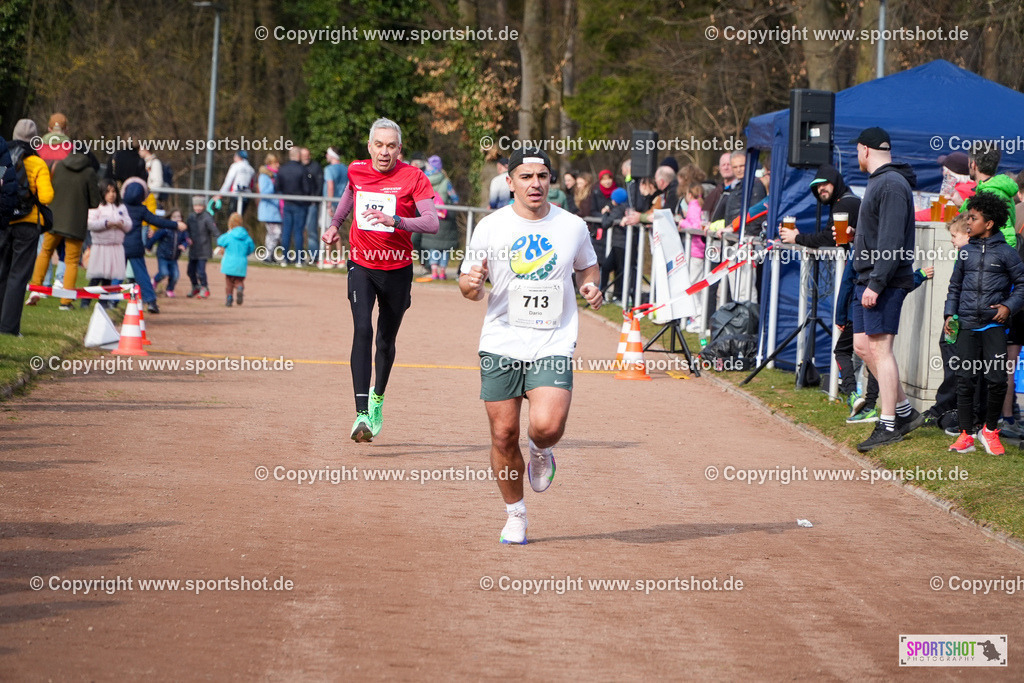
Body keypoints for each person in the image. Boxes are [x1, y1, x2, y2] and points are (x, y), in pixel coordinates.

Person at [459, 147, 602, 545]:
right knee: (503, 435)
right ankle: (515, 515)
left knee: (547, 425)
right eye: (526, 176)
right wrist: (472, 286)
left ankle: (541, 451)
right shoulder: (490, 227)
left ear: (550, 181)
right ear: (510, 183)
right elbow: (468, 284)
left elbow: (587, 265)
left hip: (553, 339)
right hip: (502, 339)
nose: (535, 184)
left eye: (542, 176)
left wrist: (591, 283)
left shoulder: (572, 225)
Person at [321, 117, 439, 442]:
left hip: (398, 269)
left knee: (385, 342)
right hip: (362, 263)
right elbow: (349, 194)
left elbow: (431, 223)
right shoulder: (356, 170)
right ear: (369, 146)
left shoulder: (414, 177)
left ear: (399, 149)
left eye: (391, 146)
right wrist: (334, 224)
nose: (384, 151)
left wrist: (396, 220)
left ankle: (377, 400)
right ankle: (360, 415)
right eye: (379, 144)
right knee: (362, 328)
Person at [848, 127, 923, 452]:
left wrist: (877, 283)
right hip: (868, 277)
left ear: (865, 150)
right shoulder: (881, 181)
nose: (857, 157)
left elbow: (892, 241)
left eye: (856, 152)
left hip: (885, 281)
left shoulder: (891, 184)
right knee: (863, 346)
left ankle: (888, 423)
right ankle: (905, 413)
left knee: (881, 349)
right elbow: (881, 234)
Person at [780, 164, 874, 419]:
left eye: (825, 184)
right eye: (817, 186)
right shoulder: (847, 201)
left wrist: (797, 238)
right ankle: (865, 399)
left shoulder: (844, 205)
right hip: (864, 283)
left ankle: (859, 397)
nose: (821, 188)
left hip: (862, 283)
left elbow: (830, 239)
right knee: (865, 348)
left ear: (835, 182)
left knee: (864, 349)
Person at [944, 192, 1024, 455]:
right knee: (964, 380)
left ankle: (990, 431)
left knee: (997, 380)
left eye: (973, 217)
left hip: (993, 327)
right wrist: (949, 315)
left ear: (989, 224)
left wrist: (1007, 307)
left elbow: (1022, 285)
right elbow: (954, 286)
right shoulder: (965, 252)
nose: (968, 221)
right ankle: (966, 435)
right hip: (966, 324)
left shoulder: (1007, 253)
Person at [28, 145, 101, 310]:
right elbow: (95, 202)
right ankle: (65, 302)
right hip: (75, 223)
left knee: (45, 252)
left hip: (54, 220)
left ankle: (35, 288)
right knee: (72, 261)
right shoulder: (89, 172)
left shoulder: (58, 165)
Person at [1, 120, 53, 335]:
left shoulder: (3, 158)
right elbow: (47, 196)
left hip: (4, 222)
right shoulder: (37, 162)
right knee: (18, 276)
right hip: (28, 224)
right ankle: (9, 328)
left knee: (2, 273)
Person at [122, 177, 183, 313]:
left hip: (120, 246)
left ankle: (110, 301)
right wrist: (176, 225)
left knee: (116, 275)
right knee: (142, 275)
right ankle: (150, 302)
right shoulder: (141, 209)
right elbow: (158, 222)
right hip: (136, 247)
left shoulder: (120, 207)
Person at [959, 144, 1017, 248]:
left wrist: (1000, 258)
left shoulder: (991, 191)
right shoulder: (993, 188)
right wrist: (961, 204)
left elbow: (1006, 231)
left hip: (991, 255)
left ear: (973, 164)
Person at [85, 180, 132, 307]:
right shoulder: (97, 207)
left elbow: (129, 225)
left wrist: (121, 223)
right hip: (101, 246)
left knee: (109, 277)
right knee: (97, 276)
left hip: (115, 247)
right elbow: (90, 224)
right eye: (108, 192)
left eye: (113, 191)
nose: (111, 194)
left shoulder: (121, 207)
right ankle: (86, 301)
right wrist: (106, 224)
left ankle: (103, 302)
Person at [275, 146, 309, 267]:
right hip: (299, 204)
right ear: (298, 156)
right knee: (298, 231)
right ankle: (299, 260)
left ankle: (285, 258)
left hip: (287, 203)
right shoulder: (302, 170)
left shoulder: (282, 169)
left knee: (286, 231)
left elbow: (277, 187)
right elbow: (306, 188)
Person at [146, 208, 190, 297]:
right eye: (174, 217)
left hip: (174, 258)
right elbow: (155, 238)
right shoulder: (165, 229)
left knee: (175, 275)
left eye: (179, 217)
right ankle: (155, 280)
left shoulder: (182, 231)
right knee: (164, 273)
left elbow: (186, 240)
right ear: (170, 218)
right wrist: (148, 246)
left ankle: (169, 289)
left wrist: (184, 245)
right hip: (163, 256)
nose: (177, 218)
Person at [215, 212, 255, 306]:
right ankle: (240, 288)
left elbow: (219, 241)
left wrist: (228, 232)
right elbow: (251, 247)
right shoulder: (246, 236)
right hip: (241, 264)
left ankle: (229, 298)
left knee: (229, 283)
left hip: (229, 264)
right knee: (239, 281)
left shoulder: (229, 235)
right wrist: (246, 253)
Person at [186, 194, 220, 299]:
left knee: (201, 271)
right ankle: (195, 286)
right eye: (196, 206)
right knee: (190, 270)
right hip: (193, 250)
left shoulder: (207, 217)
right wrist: (186, 238)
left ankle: (205, 287)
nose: (198, 208)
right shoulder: (191, 217)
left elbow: (215, 231)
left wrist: (220, 243)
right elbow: (186, 231)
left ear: (204, 206)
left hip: (204, 250)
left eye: (200, 206)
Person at [257, 154, 281, 263]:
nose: (278, 165)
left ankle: (270, 255)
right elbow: (264, 192)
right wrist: (275, 186)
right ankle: (267, 255)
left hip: (276, 210)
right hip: (269, 209)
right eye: (276, 163)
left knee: (275, 233)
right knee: (274, 232)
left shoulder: (276, 175)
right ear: (270, 163)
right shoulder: (264, 176)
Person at [301, 147, 324, 264]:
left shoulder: (315, 167)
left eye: (307, 155)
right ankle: (299, 257)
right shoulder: (299, 167)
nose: (305, 157)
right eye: (303, 155)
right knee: (299, 230)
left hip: (312, 204)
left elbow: (320, 184)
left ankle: (314, 257)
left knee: (311, 231)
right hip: (300, 204)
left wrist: (315, 199)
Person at [216, 150, 255, 216]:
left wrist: (220, 194)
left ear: (238, 157)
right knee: (239, 217)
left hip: (236, 195)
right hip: (247, 196)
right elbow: (252, 184)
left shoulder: (235, 166)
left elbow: (228, 181)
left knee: (232, 217)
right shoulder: (251, 169)